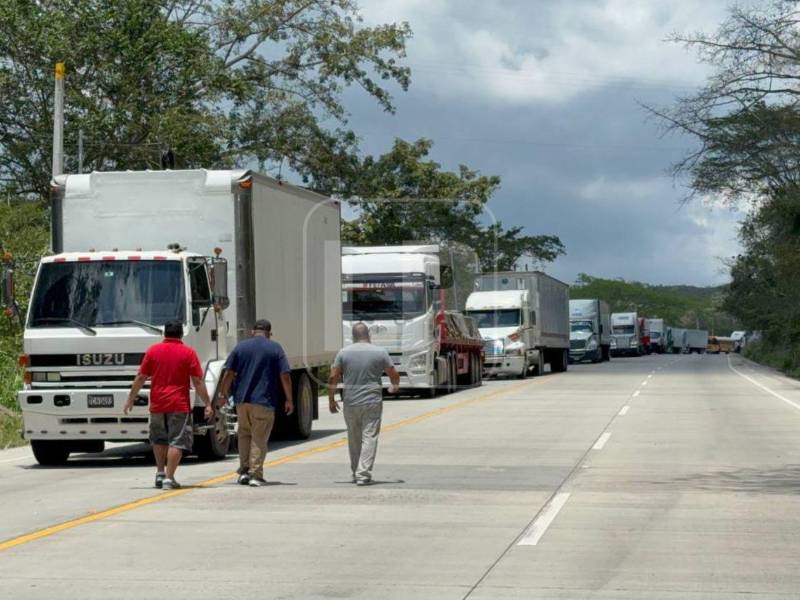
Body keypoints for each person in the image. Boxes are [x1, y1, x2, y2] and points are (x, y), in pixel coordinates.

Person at [124, 320, 213, 490]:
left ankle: (160, 473)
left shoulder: (153, 351)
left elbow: (141, 377)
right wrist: (207, 403)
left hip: (157, 404)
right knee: (177, 441)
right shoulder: (188, 352)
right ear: (181, 334)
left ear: (165, 333)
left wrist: (130, 399)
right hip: (178, 404)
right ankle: (169, 478)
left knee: (158, 439)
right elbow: (197, 381)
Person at [217, 319, 294, 487]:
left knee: (244, 435)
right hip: (263, 401)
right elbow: (285, 375)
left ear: (252, 331)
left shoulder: (240, 347)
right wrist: (289, 399)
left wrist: (223, 394)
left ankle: (244, 471)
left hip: (242, 401)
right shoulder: (275, 348)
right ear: (269, 333)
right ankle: (255, 474)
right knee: (259, 438)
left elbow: (228, 373)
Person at [328, 322, 400, 486]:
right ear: (369, 335)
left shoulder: (343, 352)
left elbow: (333, 377)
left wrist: (331, 400)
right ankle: (363, 474)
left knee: (354, 438)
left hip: (351, 402)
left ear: (353, 336)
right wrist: (394, 387)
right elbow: (393, 373)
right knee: (369, 437)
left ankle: (356, 472)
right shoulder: (380, 352)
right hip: (372, 402)